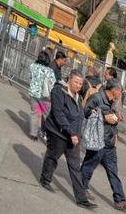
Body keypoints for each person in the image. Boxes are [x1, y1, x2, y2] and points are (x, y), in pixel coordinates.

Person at [80, 79, 126, 211]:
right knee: (88, 167)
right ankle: (81, 189)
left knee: (113, 172)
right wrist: (104, 118)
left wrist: (116, 120)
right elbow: (86, 113)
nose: (120, 94)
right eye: (120, 92)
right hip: (98, 142)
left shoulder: (111, 102)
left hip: (109, 144)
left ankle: (120, 200)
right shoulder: (97, 98)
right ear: (115, 90)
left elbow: (110, 119)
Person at [40, 70, 89, 206]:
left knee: (75, 166)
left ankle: (82, 199)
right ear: (69, 80)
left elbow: (78, 116)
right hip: (58, 132)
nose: (79, 86)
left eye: (81, 83)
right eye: (76, 82)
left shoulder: (77, 96)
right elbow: (58, 113)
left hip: (73, 136)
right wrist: (71, 132)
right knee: (52, 156)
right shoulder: (58, 91)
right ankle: (45, 179)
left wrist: (77, 134)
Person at [28, 49, 58, 140]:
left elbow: (30, 77)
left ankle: (33, 134)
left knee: (36, 114)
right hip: (45, 98)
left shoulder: (32, 66)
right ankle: (48, 135)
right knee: (47, 116)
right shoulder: (49, 71)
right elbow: (53, 84)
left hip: (34, 94)